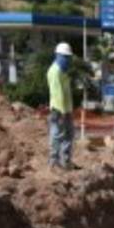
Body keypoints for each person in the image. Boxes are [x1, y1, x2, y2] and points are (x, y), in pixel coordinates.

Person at [46, 42, 76, 170]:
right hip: (59, 109)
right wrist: (63, 111)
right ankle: (54, 161)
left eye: (68, 57)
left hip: (66, 109)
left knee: (68, 135)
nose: (67, 60)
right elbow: (57, 93)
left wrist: (68, 110)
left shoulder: (63, 71)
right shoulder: (55, 71)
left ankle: (65, 161)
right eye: (65, 57)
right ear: (58, 56)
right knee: (58, 134)